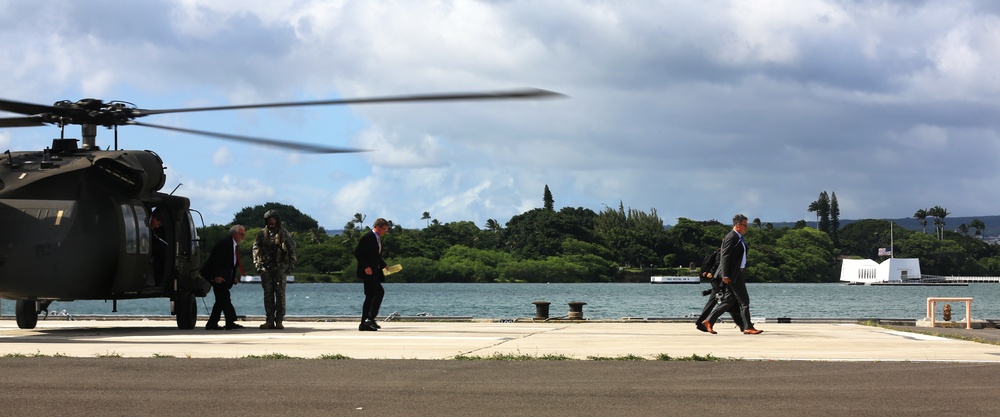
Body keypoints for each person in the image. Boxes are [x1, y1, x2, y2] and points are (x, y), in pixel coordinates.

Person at [703, 214, 762, 335]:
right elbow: (725, 256)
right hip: (732, 274)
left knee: (729, 300)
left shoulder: (738, 237)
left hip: (736, 273)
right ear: (737, 225)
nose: (746, 228)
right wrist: (725, 275)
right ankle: (748, 327)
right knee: (744, 301)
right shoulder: (731, 237)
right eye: (745, 225)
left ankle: (708, 321)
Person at [253, 210, 296, 330]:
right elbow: (256, 250)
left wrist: (290, 266)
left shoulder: (284, 234)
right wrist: (258, 265)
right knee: (268, 295)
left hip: (280, 267)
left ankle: (279, 320)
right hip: (266, 268)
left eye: (273, 219)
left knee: (280, 295)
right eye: (268, 219)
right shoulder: (261, 234)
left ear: (277, 219)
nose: (271, 221)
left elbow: (292, 250)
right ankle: (269, 320)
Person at [202, 225, 246, 330]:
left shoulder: (233, 245)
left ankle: (212, 323)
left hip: (225, 276)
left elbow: (232, 263)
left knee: (220, 301)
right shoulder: (225, 243)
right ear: (234, 234)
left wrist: (233, 276)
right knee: (225, 298)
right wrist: (215, 276)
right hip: (217, 276)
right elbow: (215, 260)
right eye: (241, 234)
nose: (243, 237)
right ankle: (230, 322)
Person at [694, 248, 746, 333]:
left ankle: (701, 323)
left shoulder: (722, 252)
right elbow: (719, 264)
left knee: (715, 302)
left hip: (717, 281)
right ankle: (742, 324)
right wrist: (712, 272)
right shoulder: (723, 253)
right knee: (729, 301)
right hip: (720, 281)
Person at [355, 218, 389, 332]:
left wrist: (384, 265)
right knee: (379, 292)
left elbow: (376, 256)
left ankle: (364, 323)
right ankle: (370, 319)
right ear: (377, 227)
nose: (385, 231)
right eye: (384, 229)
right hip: (368, 272)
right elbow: (358, 253)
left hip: (374, 271)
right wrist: (366, 267)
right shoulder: (368, 237)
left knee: (370, 296)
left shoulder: (378, 239)